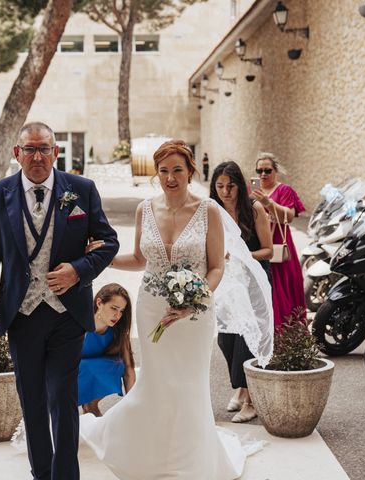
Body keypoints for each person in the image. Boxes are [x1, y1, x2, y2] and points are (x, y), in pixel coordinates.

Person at [79, 140, 266, 479]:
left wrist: (194, 300)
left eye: (177, 170)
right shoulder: (144, 209)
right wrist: (99, 258)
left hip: (194, 314)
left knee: (188, 384)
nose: (170, 177)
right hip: (152, 309)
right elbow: (139, 260)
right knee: (158, 384)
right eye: (163, 171)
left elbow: (216, 268)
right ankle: (150, 453)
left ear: (190, 171)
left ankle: (189, 461)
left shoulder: (208, 210)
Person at [0, 122, 119, 480]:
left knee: (63, 400)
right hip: (22, 316)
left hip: (67, 314)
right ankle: (42, 473)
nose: (37, 156)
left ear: (55, 152)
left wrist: (79, 270)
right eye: (30, 149)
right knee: (32, 401)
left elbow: (108, 242)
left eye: (44, 149)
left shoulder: (81, 190)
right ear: (16, 153)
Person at [210, 161, 272, 424]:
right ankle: (241, 386)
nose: (225, 192)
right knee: (227, 338)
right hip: (227, 283)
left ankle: (251, 401)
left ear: (240, 185)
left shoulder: (254, 209)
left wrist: (239, 256)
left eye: (231, 186)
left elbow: (268, 250)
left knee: (248, 339)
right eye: (220, 186)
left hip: (253, 282)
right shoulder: (213, 211)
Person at [251, 152, 306, 328]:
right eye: (259, 170)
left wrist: (268, 203)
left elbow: (289, 217)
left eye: (267, 170)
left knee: (282, 287)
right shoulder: (253, 191)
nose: (263, 174)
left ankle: (284, 332)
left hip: (278, 245)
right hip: (259, 243)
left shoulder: (284, 190)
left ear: (276, 171)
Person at [78, 283, 136, 417]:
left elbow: (128, 368)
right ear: (99, 303)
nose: (118, 315)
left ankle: (91, 404)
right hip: (74, 372)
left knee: (118, 364)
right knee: (87, 367)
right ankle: (87, 404)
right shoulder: (80, 325)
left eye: (121, 311)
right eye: (114, 308)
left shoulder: (118, 332)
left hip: (96, 370)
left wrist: (132, 403)